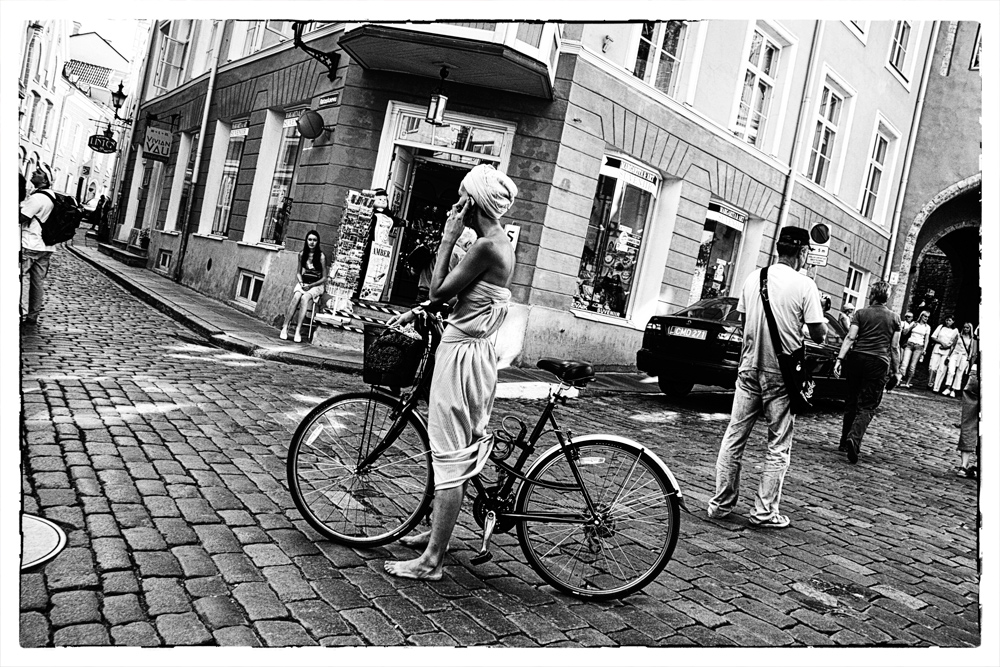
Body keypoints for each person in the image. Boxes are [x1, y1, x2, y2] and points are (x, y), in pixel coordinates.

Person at [384, 163, 517, 579]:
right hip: (471, 354)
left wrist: (446, 239)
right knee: (452, 450)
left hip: (462, 360)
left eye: (461, 195)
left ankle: (432, 562)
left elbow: (439, 289)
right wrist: (415, 314)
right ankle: (435, 535)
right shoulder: (492, 241)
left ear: (471, 202)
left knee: (450, 458)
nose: (454, 203)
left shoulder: (485, 246)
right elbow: (459, 300)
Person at [706, 226, 826, 529]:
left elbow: (745, 322)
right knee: (777, 444)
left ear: (778, 249)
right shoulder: (804, 284)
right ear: (801, 252)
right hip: (781, 374)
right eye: (807, 252)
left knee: (734, 437)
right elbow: (819, 334)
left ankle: (720, 505)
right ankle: (763, 512)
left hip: (748, 368)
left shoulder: (753, 277)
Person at [832, 281, 901, 464]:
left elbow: (850, 337)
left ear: (872, 295)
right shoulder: (894, 318)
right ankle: (854, 438)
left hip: (857, 359)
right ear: (886, 297)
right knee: (868, 405)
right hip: (878, 362)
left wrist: (840, 359)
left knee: (852, 400)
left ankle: (843, 442)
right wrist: (897, 371)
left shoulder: (861, 313)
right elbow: (894, 347)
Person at [20, 165, 57, 326]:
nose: (34, 173)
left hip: (30, 244)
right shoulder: (52, 196)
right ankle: (32, 316)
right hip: (46, 247)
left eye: (39, 173)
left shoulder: (36, 198)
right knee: (37, 283)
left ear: (45, 180)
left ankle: (17, 311)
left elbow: (21, 218)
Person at [279, 230, 327, 343]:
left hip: (316, 285)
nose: (312, 242)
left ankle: (298, 330)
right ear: (306, 241)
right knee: (296, 296)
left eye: (315, 240)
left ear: (318, 242)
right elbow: (298, 272)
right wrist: (301, 284)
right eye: (310, 239)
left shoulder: (321, 256)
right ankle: (285, 327)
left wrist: (311, 285)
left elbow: (324, 277)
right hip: (304, 283)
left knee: (305, 298)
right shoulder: (301, 254)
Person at [956, 325, 979, 478]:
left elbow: (974, 353)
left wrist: (973, 369)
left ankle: (963, 466)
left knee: (969, 420)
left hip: (978, 372)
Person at [940, 322, 974, 397]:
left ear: (970, 329)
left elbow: (971, 349)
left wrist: (969, 358)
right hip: (955, 354)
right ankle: (948, 387)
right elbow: (953, 346)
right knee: (951, 371)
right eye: (964, 327)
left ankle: (954, 389)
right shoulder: (958, 335)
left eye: (967, 328)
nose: (965, 329)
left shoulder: (971, 338)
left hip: (964, 356)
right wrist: (949, 356)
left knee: (959, 373)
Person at [900, 310, 931, 388]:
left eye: (928, 317)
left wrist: (925, 349)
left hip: (919, 346)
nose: (926, 318)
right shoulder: (914, 323)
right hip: (910, 344)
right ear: (921, 316)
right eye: (925, 316)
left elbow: (926, 339)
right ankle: (898, 380)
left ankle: (907, 382)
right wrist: (911, 327)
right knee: (904, 363)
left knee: (912, 366)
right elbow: (904, 333)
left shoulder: (927, 327)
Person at [928, 315, 959, 391]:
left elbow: (954, 343)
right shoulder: (941, 327)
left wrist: (947, 347)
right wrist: (941, 342)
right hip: (937, 348)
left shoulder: (955, 330)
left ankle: (936, 387)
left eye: (950, 320)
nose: (948, 322)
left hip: (946, 351)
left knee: (942, 369)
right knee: (932, 367)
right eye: (947, 320)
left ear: (953, 321)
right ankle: (930, 383)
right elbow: (933, 336)